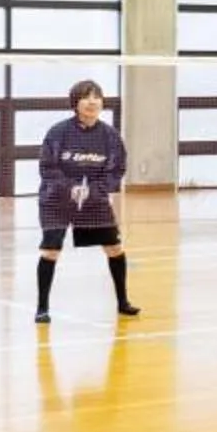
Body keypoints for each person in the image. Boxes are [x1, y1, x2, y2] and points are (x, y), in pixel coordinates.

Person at [35, 80, 140, 324]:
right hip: (57, 200)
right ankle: (42, 308)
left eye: (96, 97)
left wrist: (95, 191)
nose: (92, 101)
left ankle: (123, 302)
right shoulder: (58, 133)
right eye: (86, 97)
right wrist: (70, 189)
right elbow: (47, 167)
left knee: (114, 248)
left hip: (93, 200)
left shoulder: (110, 136)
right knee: (51, 250)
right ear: (76, 103)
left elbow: (117, 169)